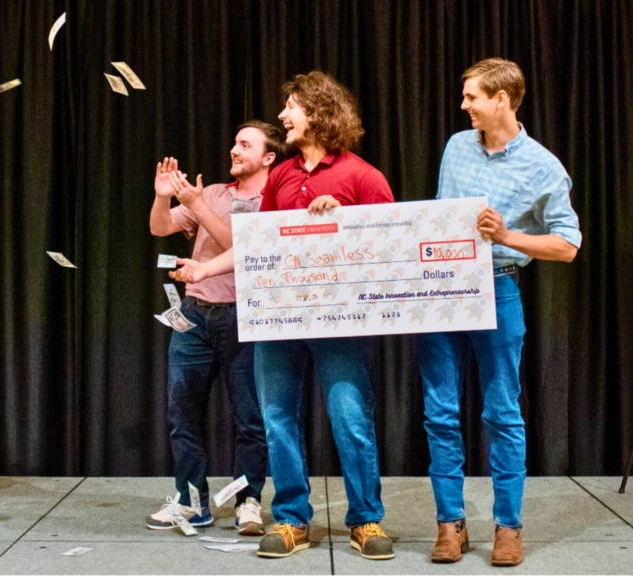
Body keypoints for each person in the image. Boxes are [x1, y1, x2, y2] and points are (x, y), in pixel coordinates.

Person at [170, 72, 396, 561]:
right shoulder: (282, 177)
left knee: (349, 417)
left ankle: (367, 518)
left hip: (339, 325)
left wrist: (342, 219)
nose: (282, 115)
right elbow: (258, 246)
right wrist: (205, 266)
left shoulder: (363, 176)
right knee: (277, 419)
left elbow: (389, 248)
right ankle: (292, 518)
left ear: (316, 112)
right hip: (278, 319)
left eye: (291, 106)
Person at [417, 58, 581, 567]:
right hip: (441, 291)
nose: (463, 105)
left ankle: (508, 527)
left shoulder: (542, 165)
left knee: (502, 413)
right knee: (440, 411)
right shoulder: (456, 146)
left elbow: (569, 244)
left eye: (471, 97)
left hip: (499, 289)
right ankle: (451, 524)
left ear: (501, 100)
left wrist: (508, 235)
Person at [145, 120, 285, 535]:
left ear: (268, 157)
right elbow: (160, 227)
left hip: (245, 317)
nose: (234, 150)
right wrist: (162, 198)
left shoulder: (271, 200)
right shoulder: (212, 193)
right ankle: (191, 502)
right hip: (194, 315)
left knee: (249, 418)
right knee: (181, 413)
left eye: (245, 144)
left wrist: (198, 204)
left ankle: (248, 501)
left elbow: (244, 249)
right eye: (234, 142)